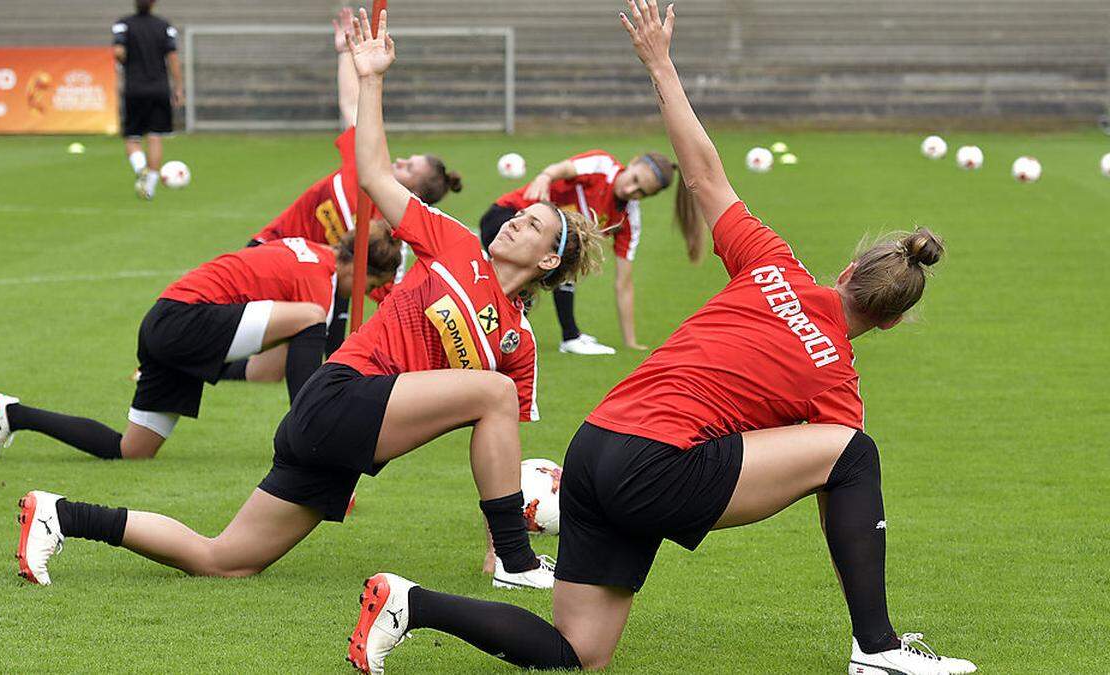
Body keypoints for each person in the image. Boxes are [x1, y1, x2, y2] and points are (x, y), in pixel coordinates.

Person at [343, 3, 977, 675]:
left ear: (847, 271)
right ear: (890, 321)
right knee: (854, 453)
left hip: (593, 449)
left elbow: (702, 174)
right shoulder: (837, 382)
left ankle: (408, 603)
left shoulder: (773, 263)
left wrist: (660, 63)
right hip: (653, 466)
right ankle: (877, 650)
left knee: (579, 652)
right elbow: (836, 485)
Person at [9, 11, 602, 594]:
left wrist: (493, 544)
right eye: (520, 215)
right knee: (490, 393)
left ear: (549, 261)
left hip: (345, 444)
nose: (515, 223)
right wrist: (370, 78)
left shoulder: (518, 346)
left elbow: (499, 448)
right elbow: (371, 172)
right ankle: (521, 562)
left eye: (531, 226)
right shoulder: (452, 243)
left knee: (224, 561)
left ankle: (62, 516)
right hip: (338, 395)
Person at [0, 231, 401, 462]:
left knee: (132, 450)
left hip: (169, 327)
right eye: (371, 286)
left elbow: (276, 367)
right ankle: (310, 436)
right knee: (309, 316)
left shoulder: (314, 252)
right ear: (361, 267)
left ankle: (11, 413)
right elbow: (317, 339)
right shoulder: (318, 282)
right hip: (182, 319)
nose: (363, 295)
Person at [223, 7, 463, 378]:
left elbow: (396, 300)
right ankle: (186, 360)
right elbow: (352, 106)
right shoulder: (363, 168)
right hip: (272, 253)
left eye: (407, 167)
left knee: (307, 365)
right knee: (220, 322)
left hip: (325, 282)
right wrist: (343, 55)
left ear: (413, 191)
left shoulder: (386, 244)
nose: (396, 160)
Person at [480, 147, 698, 354]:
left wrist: (630, 342)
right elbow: (564, 169)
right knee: (543, 270)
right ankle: (565, 336)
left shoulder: (628, 218)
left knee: (558, 265)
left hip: (540, 246)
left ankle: (515, 333)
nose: (631, 190)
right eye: (635, 180)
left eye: (641, 192)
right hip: (506, 217)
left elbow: (624, 281)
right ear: (632, 163)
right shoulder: (603, 166)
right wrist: (545, 176)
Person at [113, 0, 183, 201]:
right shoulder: (164, 26)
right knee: (155, 136)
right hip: (159, 88)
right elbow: (173, 58)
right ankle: (149, 188)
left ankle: (140, 167)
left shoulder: (124, 24)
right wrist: (178, 87)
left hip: (135, 88)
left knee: (132, 137)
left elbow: (118, 52)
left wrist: (125, 60)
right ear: (153, 4)